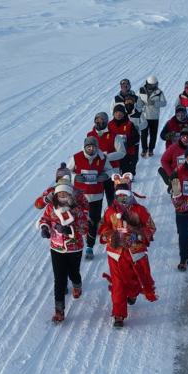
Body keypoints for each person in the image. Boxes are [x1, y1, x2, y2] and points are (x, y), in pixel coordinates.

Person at [100, 173, 158, 327]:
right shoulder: (110, 211)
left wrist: (138, 237)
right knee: (118, 284)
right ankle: (119, 315)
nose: (122, 199)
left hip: (136, 253)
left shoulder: (140, 211)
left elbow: (151, 227)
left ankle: (132, 293)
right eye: (119, 196)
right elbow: (103, 227)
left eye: (124, 196)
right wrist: (110, 236)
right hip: (116, 253)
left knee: (135, 280)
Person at [36, 177, 91, 323]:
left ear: (70, 195)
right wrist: (44, 228)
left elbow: (85, 228)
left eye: (65, 195)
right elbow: (44, 219)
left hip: (74, 248)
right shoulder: (51, 208)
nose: (62, 197)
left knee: (73, 273)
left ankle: (77, 284)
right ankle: (59, 311)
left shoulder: (77, 210)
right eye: (59, 195)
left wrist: (70, 229)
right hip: (57, 248)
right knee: (59, 279)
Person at [70, 136, 108, 259]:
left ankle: (89, 247)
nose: (91, 149)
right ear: (85, 147)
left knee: (94, 221)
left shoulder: (102, 158)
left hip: (96, 195)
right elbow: (65, 172)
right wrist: (74, 177)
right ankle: (74, 242)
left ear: (97, 147)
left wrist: (106, 175)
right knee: (78, 220)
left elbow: (111, 170)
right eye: (88, 147)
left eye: (93, 147)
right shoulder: (76, 157)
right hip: (80, 197)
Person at [87, 111, 126, 204]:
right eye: (97, 120)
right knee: (95, 198)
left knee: (112, 196)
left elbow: (122, 152)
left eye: (101, 120)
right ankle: (97, 217)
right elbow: (85, 151)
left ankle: (113, 215)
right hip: (95, 171)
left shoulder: (114, 135)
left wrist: (106, 157)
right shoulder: (90, 135)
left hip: (112, 170)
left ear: (106, 122)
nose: (99, 122)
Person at [137, 75, 166, 157]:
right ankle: (144, 149)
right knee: (144, 134)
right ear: (147, 83)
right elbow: (136, 100)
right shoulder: (141, 90)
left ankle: (151, 150)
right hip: (144, 116)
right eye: (151, 85)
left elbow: (164, 103)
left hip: (154, 117)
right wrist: (140, 104)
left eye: (155, 84)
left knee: (153, 134)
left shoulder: (159, 92)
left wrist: (155, 103)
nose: (153, 86)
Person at [108, 103, 140, 175]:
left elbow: (136, 138)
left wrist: (127, 144)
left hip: (128, 153)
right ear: (113, 114)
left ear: (124, 113)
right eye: (116, 112)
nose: (118, 114)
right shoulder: (109, 125)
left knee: (127, 174)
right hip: (115, 153)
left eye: (120, 112)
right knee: (115, 175)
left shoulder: (129, 124)